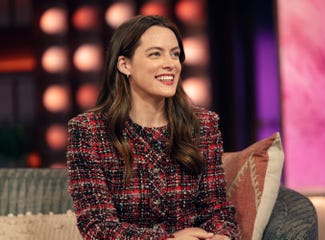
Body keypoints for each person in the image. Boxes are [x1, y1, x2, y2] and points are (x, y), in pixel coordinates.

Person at [67, 15, 240, 240]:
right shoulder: (88, 130)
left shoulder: (203, 126)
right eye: (155, 53)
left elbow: (217, 210)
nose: (171, 63)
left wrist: (221, 236)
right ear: (124, 64)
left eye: (175, 54)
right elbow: (97, 226)